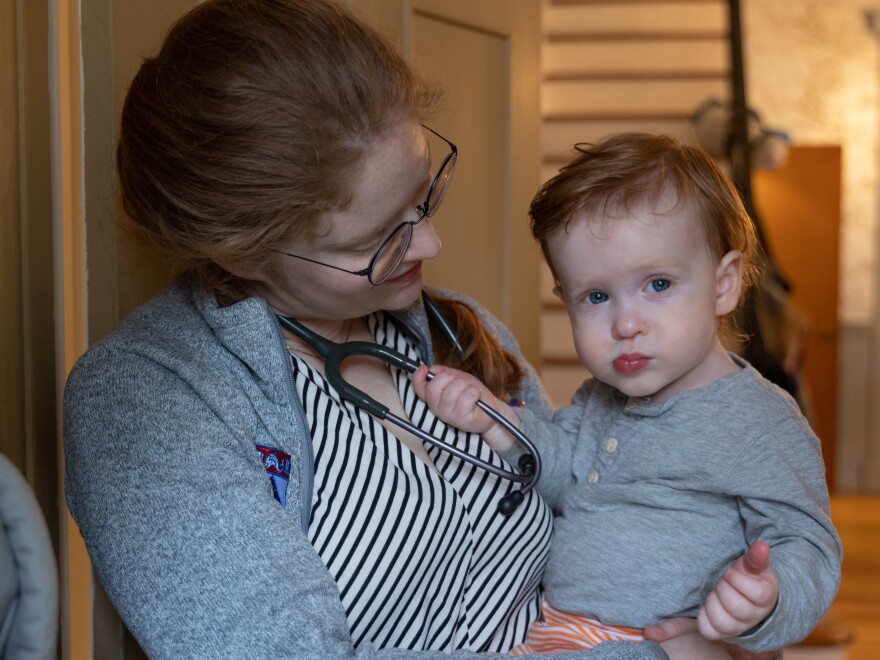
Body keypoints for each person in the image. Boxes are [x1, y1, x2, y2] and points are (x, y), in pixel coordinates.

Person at [61, 2, 684, 658]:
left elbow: (591, 520)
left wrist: (708, 608)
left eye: (423, 196)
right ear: (239, 252)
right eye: (377, 237)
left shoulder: (465, 332)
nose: (432, 243)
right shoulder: (146, 400)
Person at [413, 133, 842, 655]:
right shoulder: (600, 397)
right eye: (596, 296)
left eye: (658, 284)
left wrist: (768, 599)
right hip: (558, 632)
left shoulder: (760, 421)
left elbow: (808, 544)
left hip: (659, 642)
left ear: (724, 284)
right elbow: (563, 471)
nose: (626, 323)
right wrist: (496, 420)